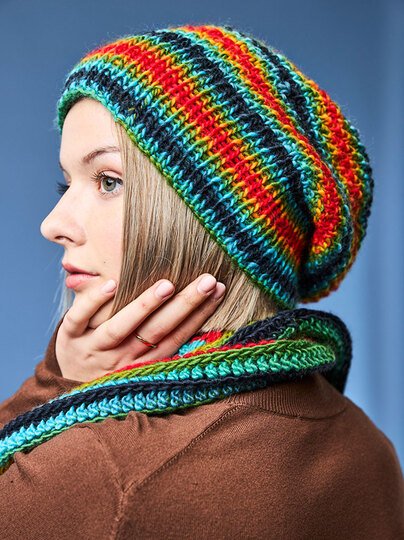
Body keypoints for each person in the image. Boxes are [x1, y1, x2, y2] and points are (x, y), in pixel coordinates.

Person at [0, 23, 402, 539]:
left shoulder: (100, 474)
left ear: (209, 222)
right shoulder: (369, 449)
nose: (53, 224)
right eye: (66, 183)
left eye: (108, 181)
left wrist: (55, 386)